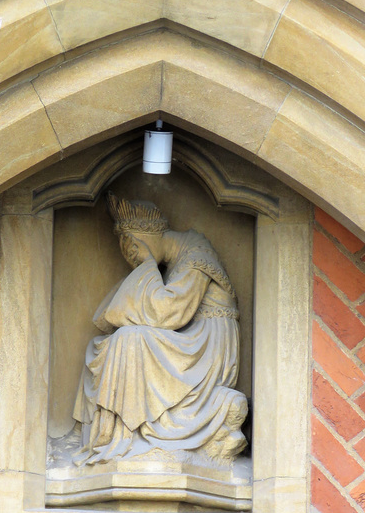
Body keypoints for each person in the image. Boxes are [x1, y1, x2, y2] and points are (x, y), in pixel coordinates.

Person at [70, 192, 248, 465]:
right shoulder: (181, 256)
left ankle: (129, 434)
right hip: (190, 340)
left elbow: (169, 313)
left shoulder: (196, 255)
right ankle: (112, 433)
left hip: (206, 346)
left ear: (140, 240)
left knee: (129, 339)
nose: (132, 258)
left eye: (133, 250)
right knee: (110, 343)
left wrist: (146, 265)